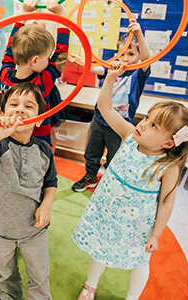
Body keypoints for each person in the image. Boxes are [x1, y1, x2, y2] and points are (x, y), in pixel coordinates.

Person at [72, 61, 188, 300]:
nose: (142, 123)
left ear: (168, 143)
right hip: (107, 210)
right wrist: (110, 78)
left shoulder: (168, 166)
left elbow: (166, 202)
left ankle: (132, 297)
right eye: (147, 117)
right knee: (99, 250)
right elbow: (106, 108)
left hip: (137, 226)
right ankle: (90, 286)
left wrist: (156, 235)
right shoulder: (129, 135)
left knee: (139, 262)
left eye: (153, 125)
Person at [0, 82, 58, 300]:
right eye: (14, 104)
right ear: (1, 113)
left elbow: (51, 182)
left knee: (39, 273)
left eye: (29, 106)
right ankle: (8, 296)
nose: (19, 109)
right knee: (6, 272)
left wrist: (46, 206)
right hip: (0, 228)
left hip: (33, 230)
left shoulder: (44, 150)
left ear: (39, 119)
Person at [70, 19, 151, 192]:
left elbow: (146, 58)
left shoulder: (138, 74)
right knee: (92, 153)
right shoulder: (111, 69)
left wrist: (139, 35)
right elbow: (95, 69)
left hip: (120, 126)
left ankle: (110, 182)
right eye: (121, 53)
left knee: (115, 157)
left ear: (137, 57)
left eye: (130, 54)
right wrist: (81, 63)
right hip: (99, 121)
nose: (125, 59)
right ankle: (90, 176)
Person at [0, 0, 68, 151]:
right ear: (35, 60)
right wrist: (61, 15)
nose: (50, 60)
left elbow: (10, 48)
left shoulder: (5, 76)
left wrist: (24, 13)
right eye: (48, 56)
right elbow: (62, 53)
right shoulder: (41, 83)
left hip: (8, 140)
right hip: (38, 145)